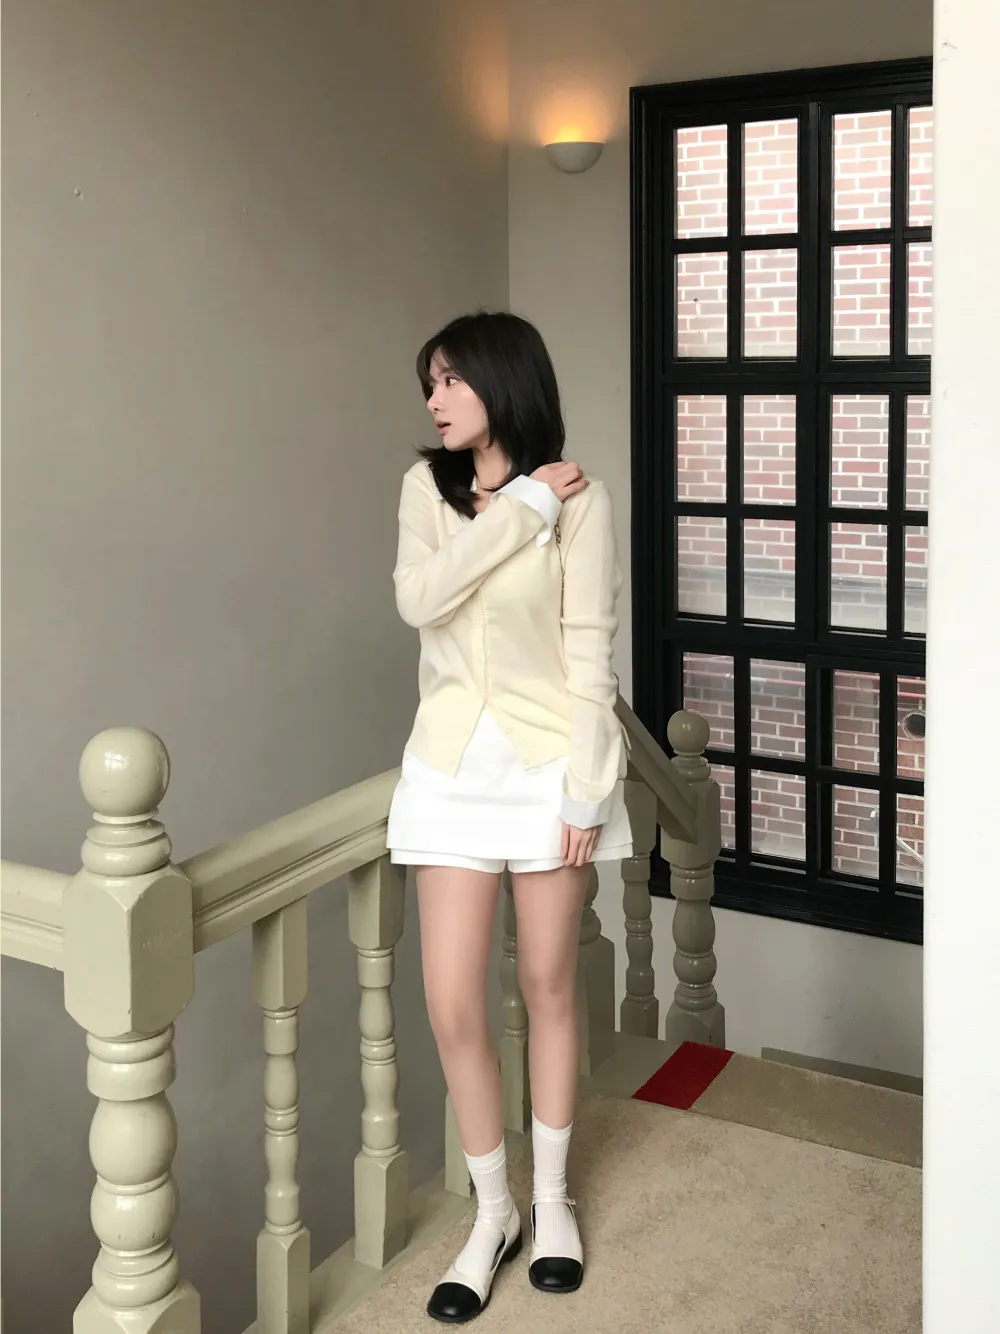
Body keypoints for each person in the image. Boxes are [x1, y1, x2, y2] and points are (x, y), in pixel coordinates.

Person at [386, 310, 632, 1323]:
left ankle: (555, 1197)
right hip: (447, 770)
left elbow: (590, 650)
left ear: (502, 380)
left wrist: (588, 786)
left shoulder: (583, 499)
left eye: (451, 379)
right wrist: (520, 506)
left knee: (546, 984)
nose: (435, 399)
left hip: (544, 770)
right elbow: (421, 600)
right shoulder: (428, 491)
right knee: (453, 1002)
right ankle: (494, 1215)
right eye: (430, 382)